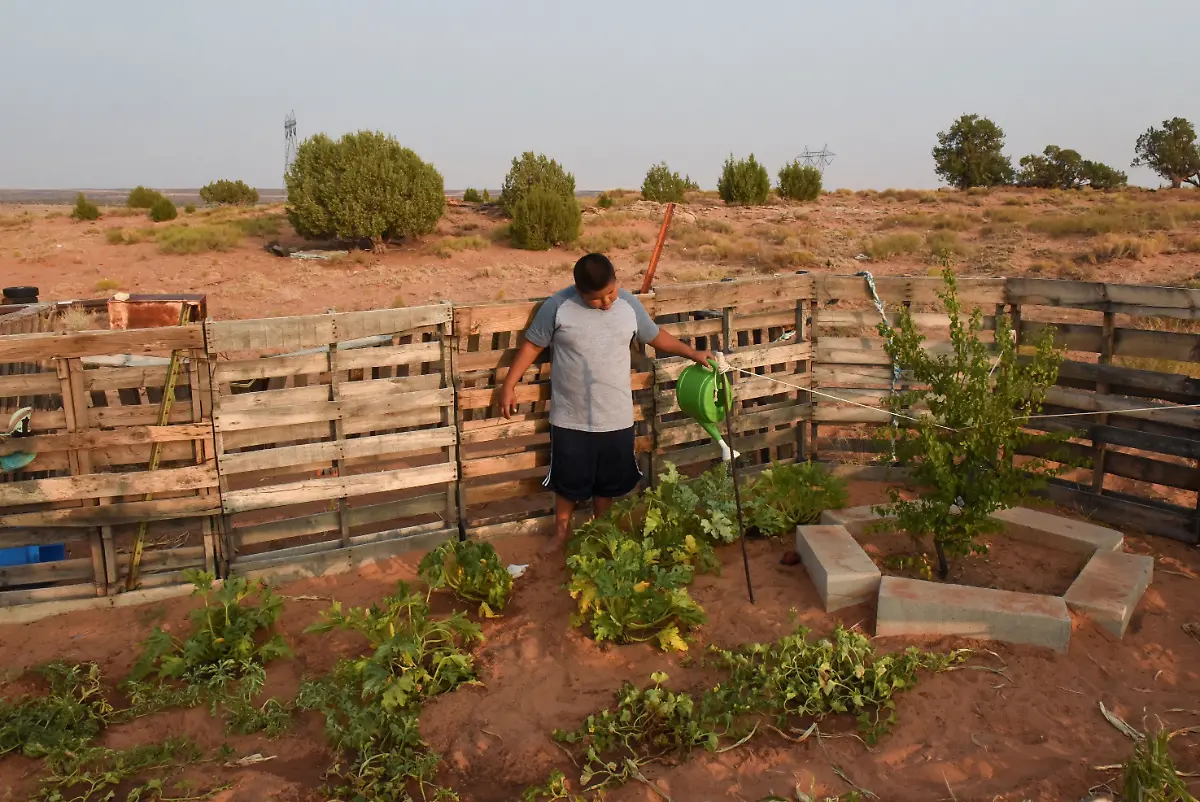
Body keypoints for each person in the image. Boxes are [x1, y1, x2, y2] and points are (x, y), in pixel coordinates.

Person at [497, 253, 713, 554]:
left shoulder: (628, 305)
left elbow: (655, 336)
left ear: (616, 279)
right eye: (597, 299)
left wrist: (693, 353)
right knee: (568, 482)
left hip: (616, 416)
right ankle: (561, 534)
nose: (608, 302)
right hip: (570, 418)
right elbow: (532, 345)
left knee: (607, 483)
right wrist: (509, 385)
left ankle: (601, 530)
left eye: (611, 292)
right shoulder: (558, 307)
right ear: (579, 290)